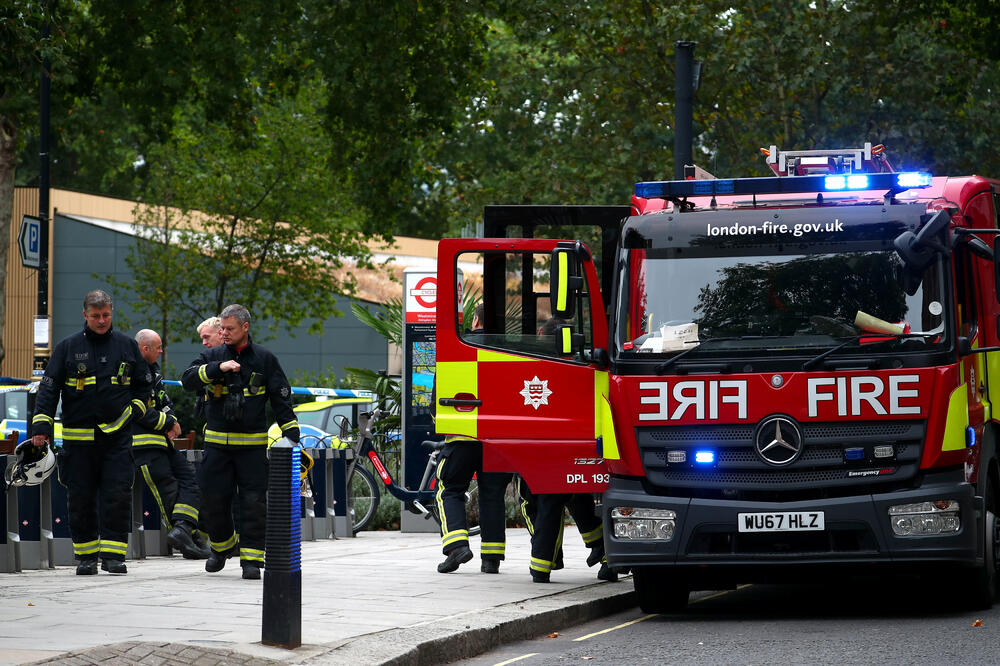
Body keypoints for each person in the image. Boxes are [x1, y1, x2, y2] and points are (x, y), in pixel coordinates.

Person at [31, 290, 152, 575]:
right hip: (78, 441)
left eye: (106, 315)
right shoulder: (67, 348)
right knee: (80, 498)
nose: (101, 321)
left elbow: (143, 385)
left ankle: (114, 557)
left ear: (112, 313)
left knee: (117, 496)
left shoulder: (126, 346)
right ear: (85, 314)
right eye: (96, 316)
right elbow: (49, 389)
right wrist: (40, 427)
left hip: (117, 439)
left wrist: (135, 408)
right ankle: (86, 557)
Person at [181, 304, 299, 580]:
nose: (223, 333)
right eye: (221, 328)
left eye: (229, 329)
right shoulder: (211, 355)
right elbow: (187, 380)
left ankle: (252, 560)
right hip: (217, 448)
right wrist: (217, 368)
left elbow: (282, 400)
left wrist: (292, 436)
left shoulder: (265, 359)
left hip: (252, 449)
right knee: (213, 500)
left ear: (245, 328)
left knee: (253, 503)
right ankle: (221, 548)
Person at [435, 304, 512, 574]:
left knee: (450, 489)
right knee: (493, 495)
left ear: (476, 320)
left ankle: (457, 546)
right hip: (499, 441)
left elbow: (438, 400)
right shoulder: (513, 354)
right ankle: (491, 559)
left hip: (462, 437)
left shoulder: (456, 350)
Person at [132, 328, 211, 559]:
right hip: (143, 448)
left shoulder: (152, 372)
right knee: (168, 491)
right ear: (145, 349)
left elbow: (163, 401)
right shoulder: (131, 373)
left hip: (163, 445)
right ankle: (187, 538)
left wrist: (173, 420)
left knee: (191, 479)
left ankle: (184, 531)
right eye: (158, 347)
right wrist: (167, 422)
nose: (161, 351)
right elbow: (138, 411)